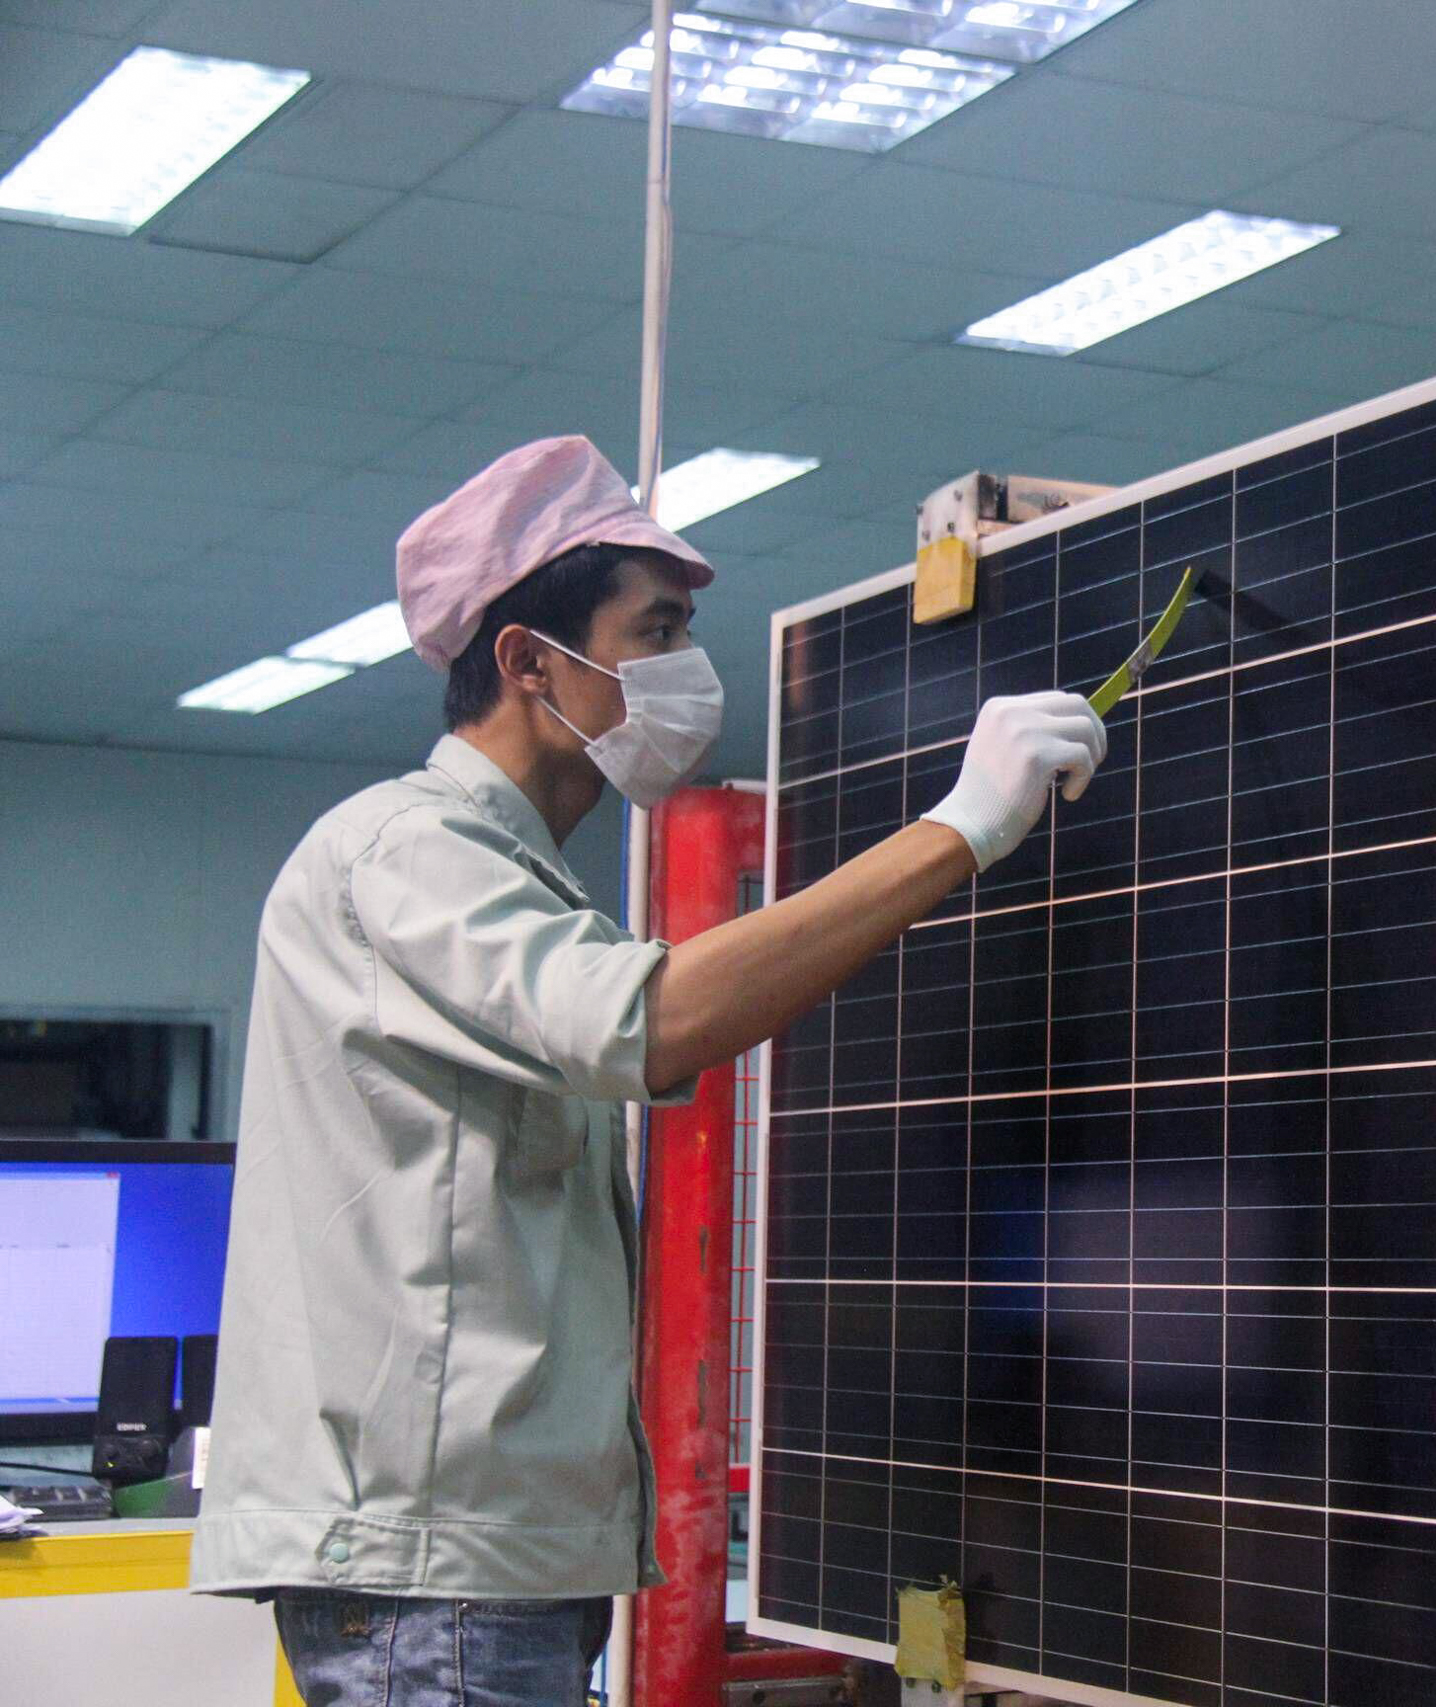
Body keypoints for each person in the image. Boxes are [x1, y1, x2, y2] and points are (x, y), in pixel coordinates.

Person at [190, 435, 1105, 1706]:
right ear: (526, 660)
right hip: (437, 1569)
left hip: (483, 1563)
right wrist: (961, 828)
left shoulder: (504, 874)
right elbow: (649, 1019)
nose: (685, 672)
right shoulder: (404, 851)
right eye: (656, 630)